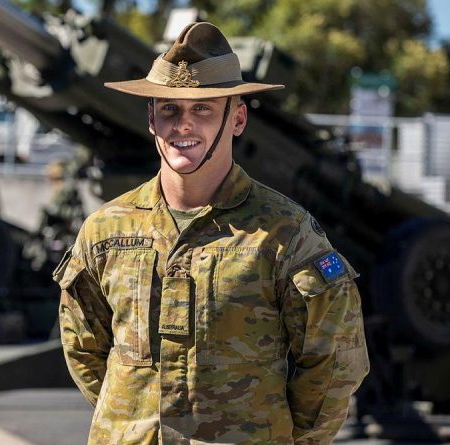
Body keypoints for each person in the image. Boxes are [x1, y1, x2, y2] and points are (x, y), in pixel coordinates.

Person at [53, 22, 369, 444]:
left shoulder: (285, 233)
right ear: (150, 118)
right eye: (169, 108)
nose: (183, 125)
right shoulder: (106, 229)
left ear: (236, 119)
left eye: (202, 109)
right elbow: (84, 350)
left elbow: (334, 362)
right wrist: (131, 419)